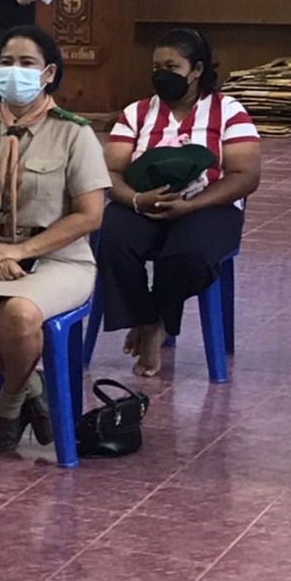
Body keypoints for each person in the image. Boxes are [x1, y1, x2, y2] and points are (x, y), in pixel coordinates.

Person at [0, 25, 110, 454]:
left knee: (19, 313)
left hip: (60, 259)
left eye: (26, 63)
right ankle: (35, 388)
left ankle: (8, 409)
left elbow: (89, 215)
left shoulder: (74, 133)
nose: (13, 70)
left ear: (48, 74)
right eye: (6, 62)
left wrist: (20, 251)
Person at [98, 27, 261, 377]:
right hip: (143, 203)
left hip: (208, 206)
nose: (162, 75)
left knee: (190, 253)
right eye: (157, 67)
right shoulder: (137, 112)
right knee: (111, 238)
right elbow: (110, 172)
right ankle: (144, 319)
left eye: (172, 67)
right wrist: (137, 199)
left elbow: (246, 175)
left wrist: (191, 206)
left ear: (197, 70)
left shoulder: (227, 110)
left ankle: (157, 322)